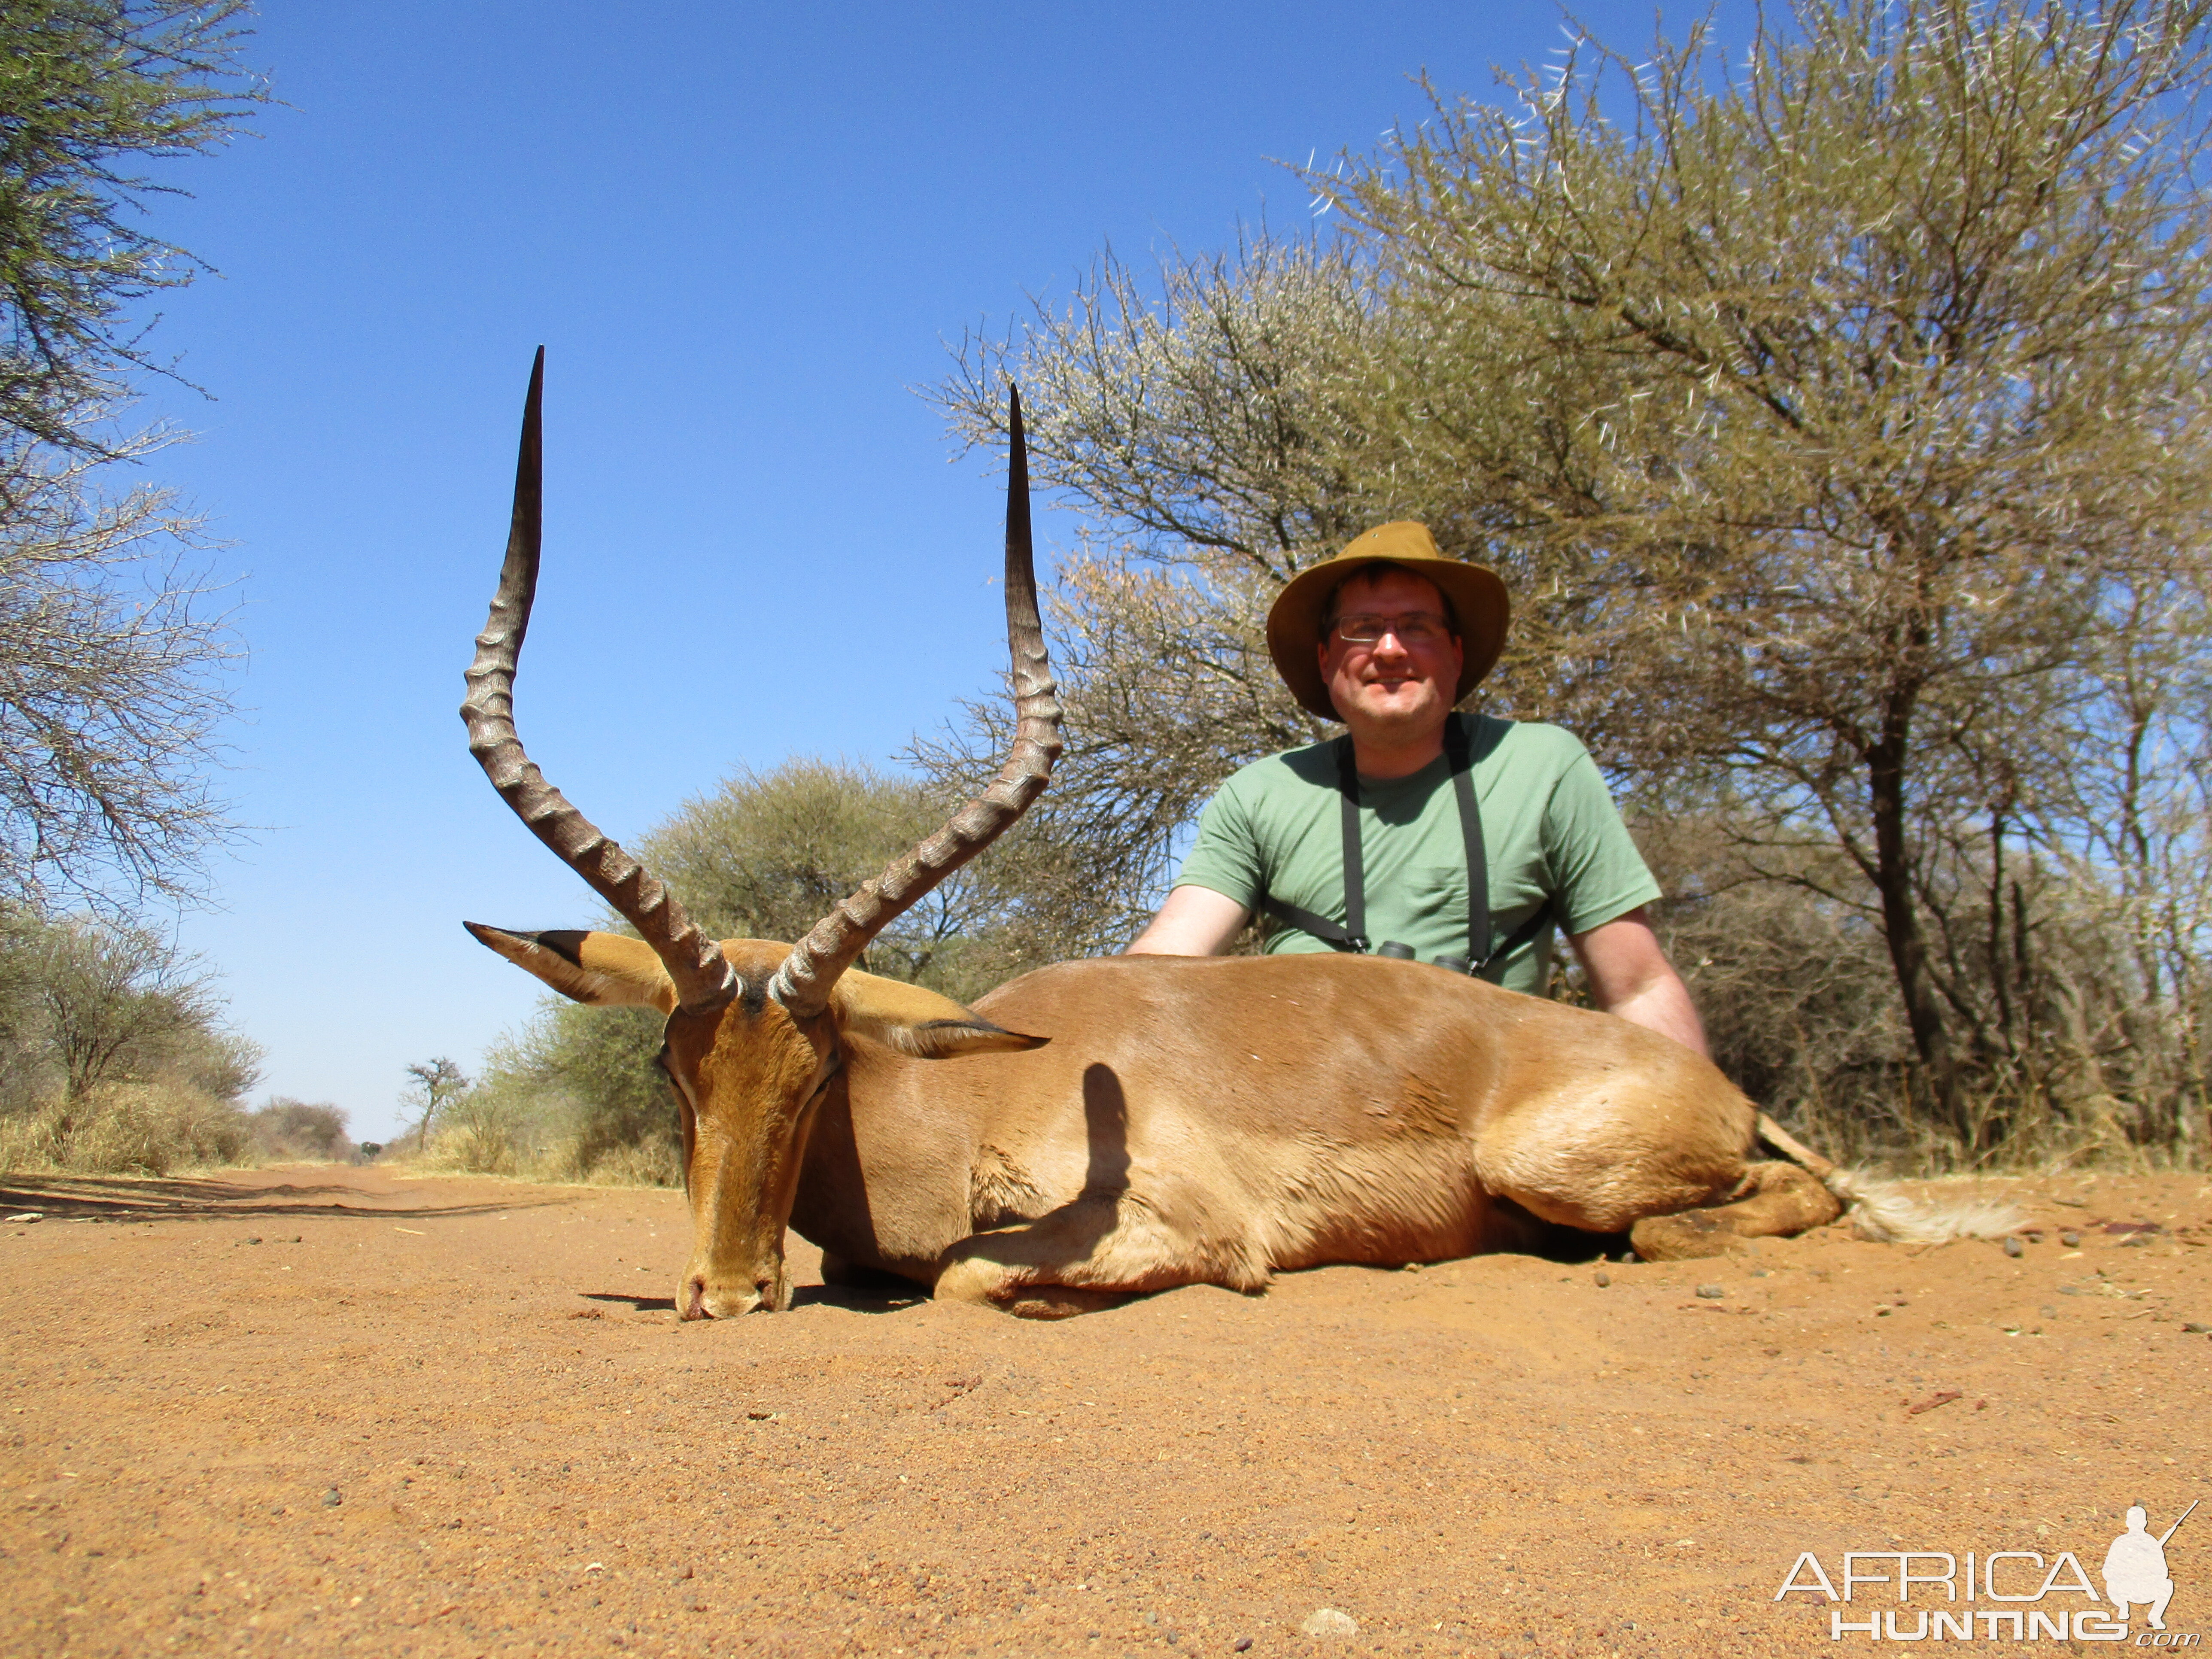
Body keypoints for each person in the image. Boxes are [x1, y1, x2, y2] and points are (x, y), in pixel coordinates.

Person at [1124, 520, 1706, 1055]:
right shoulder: (1259, 793)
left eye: (1417, 626)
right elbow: (1162, 965)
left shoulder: (1546, 766)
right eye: (1363, 628)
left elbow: (1638, 988)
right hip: (1300, 1127)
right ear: (1326, 659)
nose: (1390, 648)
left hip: (1500, 1123)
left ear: (1456, 653)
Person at [2103, 1506, 2177, 1630]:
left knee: (2167, 1584)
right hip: (2125, 1589)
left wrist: (2145, 1571)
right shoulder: (2121, 1542)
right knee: (2112, 1583)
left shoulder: (2151, 1544)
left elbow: (2163, 1573)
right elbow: (2108, 1572)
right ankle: (2123, 1607)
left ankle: (2155, 1616)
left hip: (2145, 1589)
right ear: (2145, 1523)